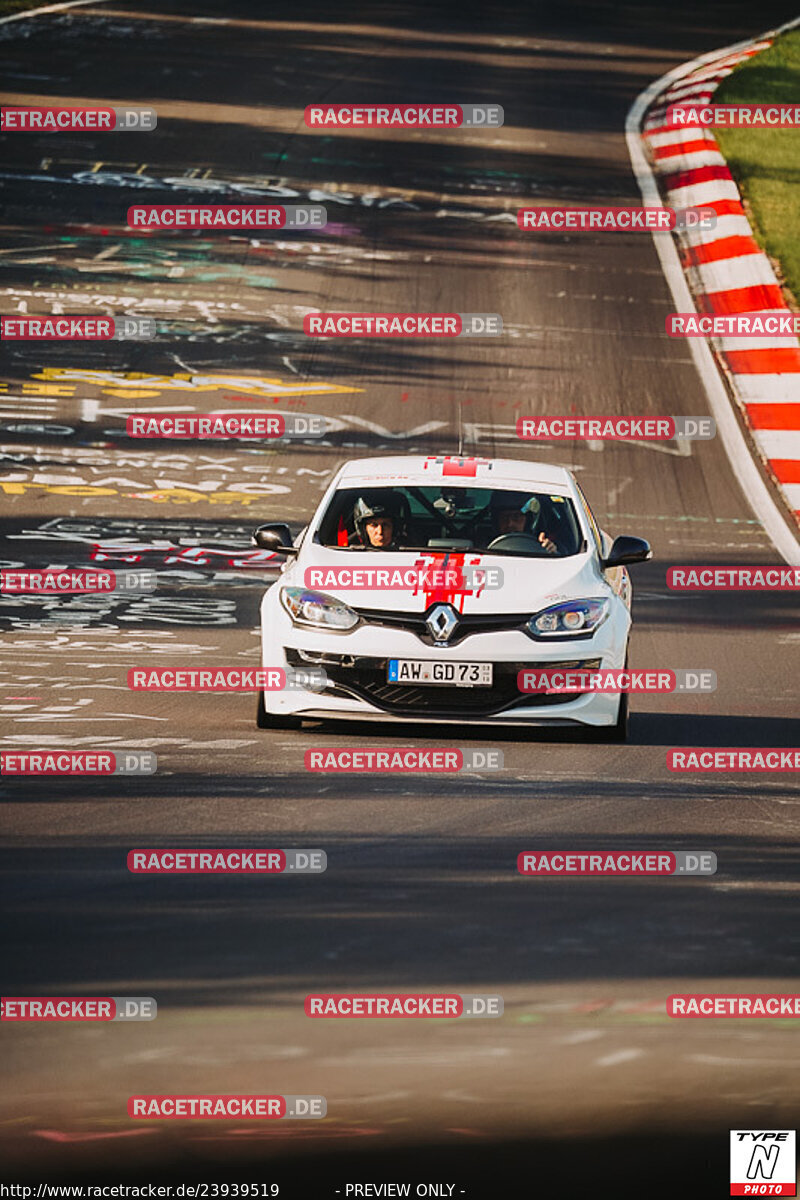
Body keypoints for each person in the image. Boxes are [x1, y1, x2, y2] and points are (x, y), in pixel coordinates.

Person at [488, 492, 558, 554]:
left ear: (528, 520)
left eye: (516, 517)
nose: (510, 523)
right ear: (496, 521)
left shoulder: (539, 544)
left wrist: (551, 552)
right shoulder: (481, 545)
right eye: (504, 518)